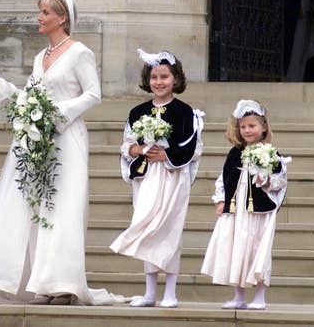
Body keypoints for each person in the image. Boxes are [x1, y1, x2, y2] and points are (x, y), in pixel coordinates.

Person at [0, 0, 123, 305]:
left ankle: (64, 284)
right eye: (39, 12)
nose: (39, 18)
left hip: (67, 138)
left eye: (45, 13)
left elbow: (94, 94)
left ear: (62, 18)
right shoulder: (40, 56)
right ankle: (42, 282)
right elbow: (31, 93)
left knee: (63, 209)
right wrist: (0, 85)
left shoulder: (80, 52)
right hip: (38, 139)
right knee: (37, 208)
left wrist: (59, 114)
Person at [109, 49, 204, 308]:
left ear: (176, 79)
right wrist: (139, 150)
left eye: (164, 76)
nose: (159, 82)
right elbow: (126, 144)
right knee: (148, 228)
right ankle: (150, 291)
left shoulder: (185, 112)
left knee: (170, 229)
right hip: (147, 177)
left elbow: (193, 146)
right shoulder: (138, 111)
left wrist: (167, 154)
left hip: (172, 176)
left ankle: (170, 292)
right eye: (154, 77)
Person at [201, 100, 289, 310]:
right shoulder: (234, 153)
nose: (247, 130)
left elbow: (280, 180)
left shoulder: (271, 153)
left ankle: (259, 296)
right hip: (236, 210)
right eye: (243, 126)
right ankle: (238, 296)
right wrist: (220, 200)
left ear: (263, 127)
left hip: (259, 211)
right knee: (236, 249)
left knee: (257, 250)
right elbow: (223, 179)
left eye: (252, 126)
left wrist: (266, 181)